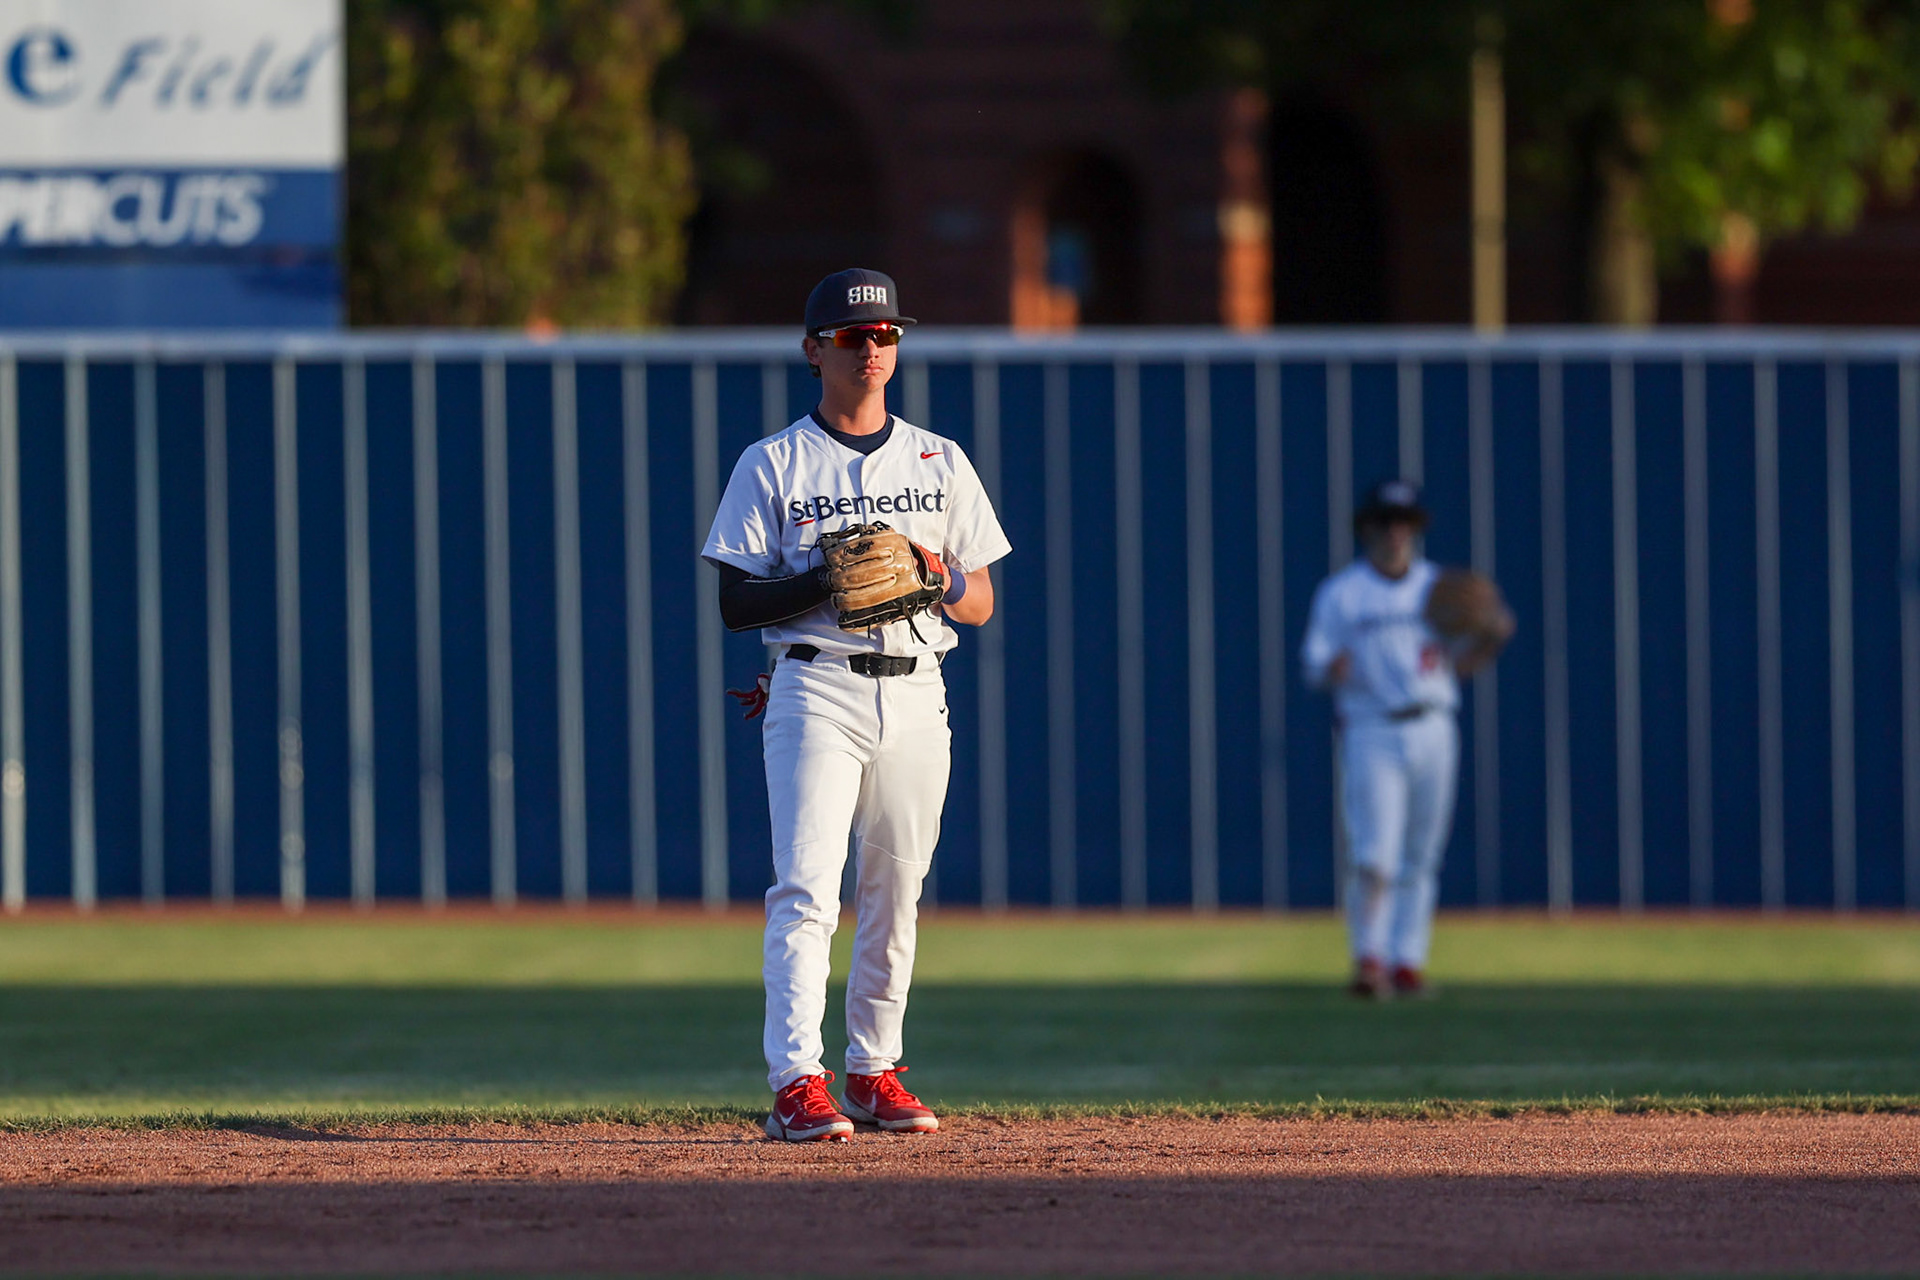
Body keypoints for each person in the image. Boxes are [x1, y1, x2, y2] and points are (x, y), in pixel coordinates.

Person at [701, 268, 1011, 1141]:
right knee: (806, 888)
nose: (872, 348)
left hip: (916, 687)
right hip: (815, 686)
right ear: (814, 351)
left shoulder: (939, 458)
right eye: (851, 336)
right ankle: (797, 1080)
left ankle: (874, 1070)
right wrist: (825, 584)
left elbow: (979, 599)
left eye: (885, 335)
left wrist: (938, 575)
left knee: (897, 886)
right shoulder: (774, 462)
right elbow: (735, 604)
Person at [1300, 480, 1512, 999]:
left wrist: (1490, 636)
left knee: (1420, 855)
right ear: (1367, 528)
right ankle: (1368, 958)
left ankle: (1407, 962)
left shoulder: (1438, 588)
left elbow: (1465, 656)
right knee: (1375, 854)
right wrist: (1331, 668)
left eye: (1405, 523)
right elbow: (1312, 664)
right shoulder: (1343, 592)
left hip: (1433, 724)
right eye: (1386, 523)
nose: (1396, 533)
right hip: (1372, 728)